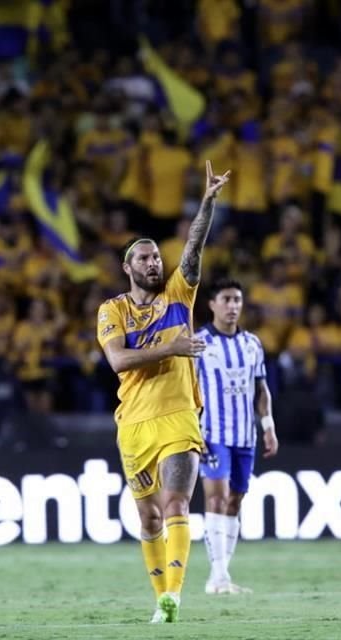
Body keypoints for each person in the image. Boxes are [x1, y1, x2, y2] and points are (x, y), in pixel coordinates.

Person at [97, 161, 230, 624]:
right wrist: (170, 346)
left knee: (176, 505)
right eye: (145, 258)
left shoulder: (180, 294)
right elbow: (117, 361)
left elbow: (193, 246)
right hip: (133, 422)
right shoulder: (111, 310)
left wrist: (207, 202)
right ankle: (160, 598)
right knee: (149, 519)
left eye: (156, 257)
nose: (154, 263)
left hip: (178, 415)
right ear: (127, 267)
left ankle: (171, 597)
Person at [196, 278, 279, 595]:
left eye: (237, 300)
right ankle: (217, 578)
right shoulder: (199, 342)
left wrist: (268, 426)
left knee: (234, 502)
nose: (233, 306)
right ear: (213, 304)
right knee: (215, 498)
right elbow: (186, 391)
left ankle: (222, 576)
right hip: (212, 433)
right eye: (226, 299)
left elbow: (261, 389)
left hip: (246, 435)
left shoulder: (252, 344)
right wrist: (193, 427)